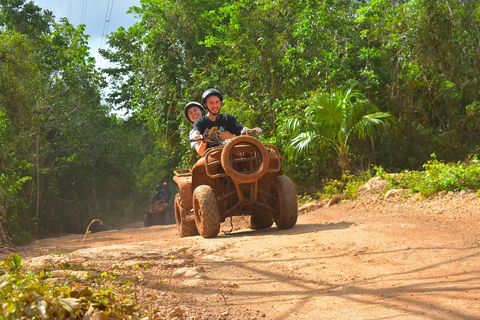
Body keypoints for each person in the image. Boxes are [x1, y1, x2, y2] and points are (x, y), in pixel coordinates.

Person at [191, 89, 262, 156]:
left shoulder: (228, 118)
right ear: (205, 105)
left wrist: (252, 130)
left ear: (220, 103)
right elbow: (196, 132)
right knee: (200, 166)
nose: (215, 106)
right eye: (211, 103)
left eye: (217, 102)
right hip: (212, 156)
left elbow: (242, 129)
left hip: (231, 153)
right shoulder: (200, 122)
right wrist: (198, 136)